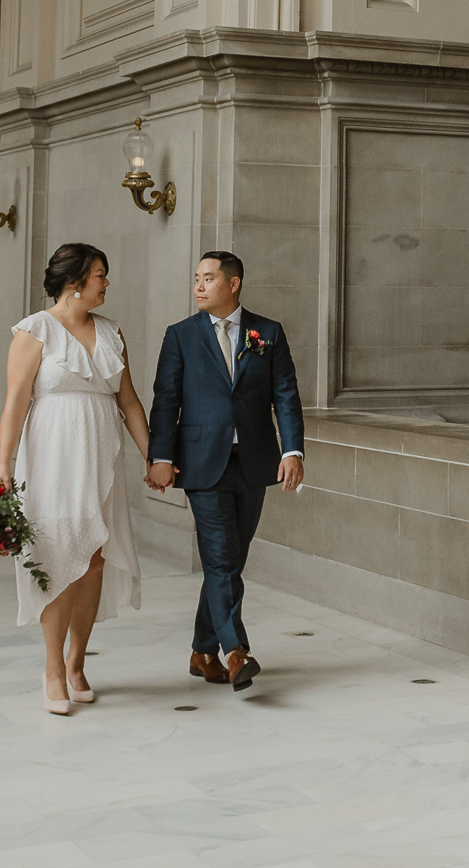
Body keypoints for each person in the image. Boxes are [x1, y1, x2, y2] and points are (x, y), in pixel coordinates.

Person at [0, 242, 151, 714]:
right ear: (74, 281)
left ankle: (78, 661)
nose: (106, 283)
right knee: (56, 554)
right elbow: (15, 403)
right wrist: (2, 466)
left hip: (101, 458)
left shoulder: (111, 332)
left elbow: (128, 403)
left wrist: (153, 457)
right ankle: (52, 668)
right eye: (100, 274)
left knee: (95, 558)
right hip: (52, 458)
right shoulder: (34, 331)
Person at [146, 250, 305, 692]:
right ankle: (237, 652)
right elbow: (166, 400)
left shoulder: (266, 332)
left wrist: (292, 450)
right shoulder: (180, 335)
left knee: (231, 562)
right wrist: (160, 457)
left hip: (253, 463)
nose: (199, 285)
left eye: (209, 278)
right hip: (201, 463)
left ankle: (201, 650)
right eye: (196, 277)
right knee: (219, 559)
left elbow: (285, 395)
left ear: (233, 284)